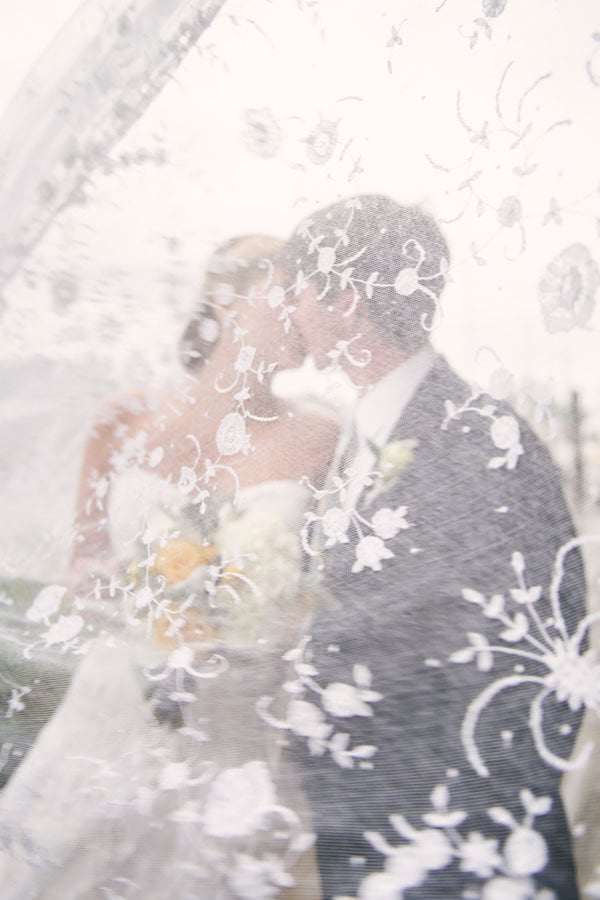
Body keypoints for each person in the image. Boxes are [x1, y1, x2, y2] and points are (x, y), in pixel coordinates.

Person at [0, 236, 337, 898]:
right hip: (118, 700)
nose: (305, 312)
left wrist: (254, 614)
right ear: (228, 301)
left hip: (240, 718)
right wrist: (136, 597)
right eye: (287, 294)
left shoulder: (320, 436)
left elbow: (320, 586)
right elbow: (85, 567)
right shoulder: (123, 419)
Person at [276, 194, 588, 898]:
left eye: (297, 291)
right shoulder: (355, 439)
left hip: (455, 860)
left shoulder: (486, 446)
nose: (291, 311)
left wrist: (435, 853)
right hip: (357, 837)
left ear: (346, 298)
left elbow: (541, 668)